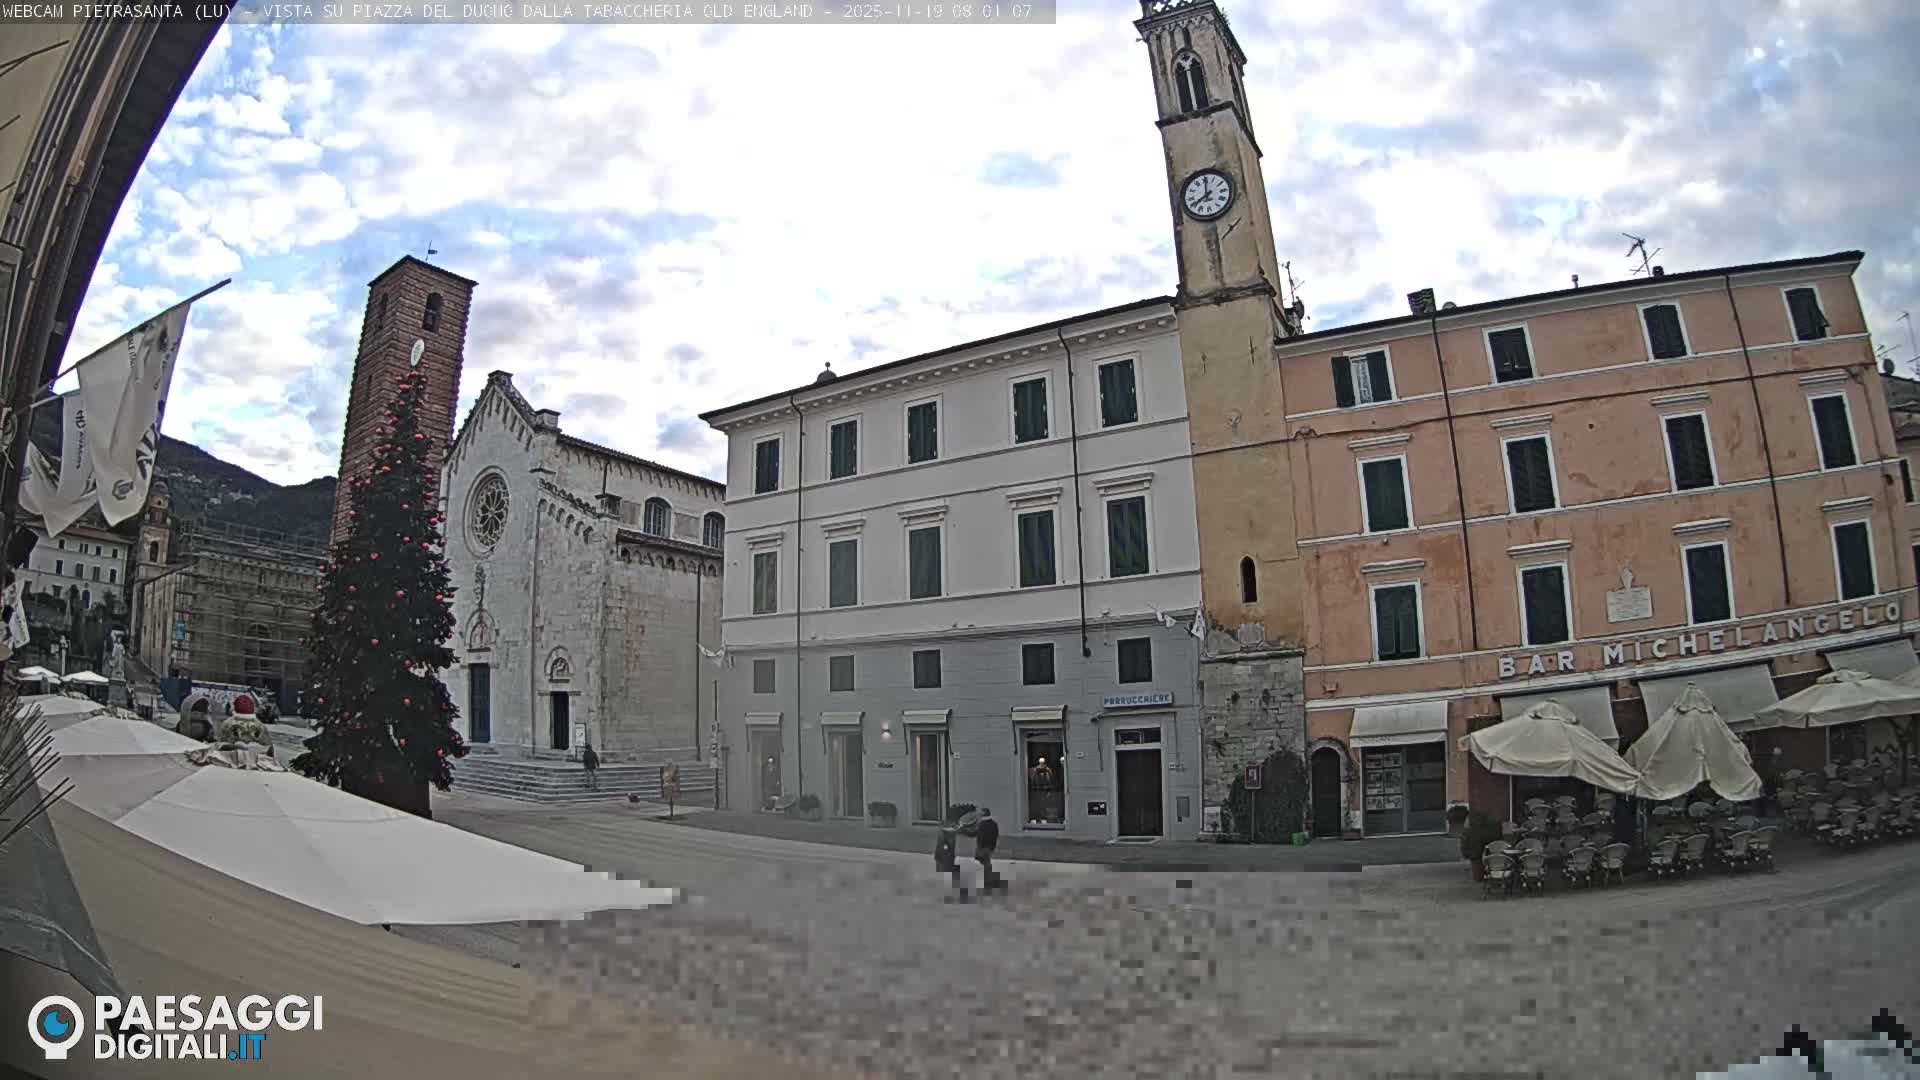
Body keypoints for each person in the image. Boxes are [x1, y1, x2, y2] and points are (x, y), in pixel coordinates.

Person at [974, 806, 1000, 893]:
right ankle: (989, 882)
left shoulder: (982, 825)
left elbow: (980, 837)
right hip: (990, 847)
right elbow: (996, 835)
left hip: (984, 847)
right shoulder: (994, 824)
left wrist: (979, 847)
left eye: (981, 813)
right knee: (986, 863)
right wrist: (993, 846)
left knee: (986, 864)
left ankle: (989, 884)